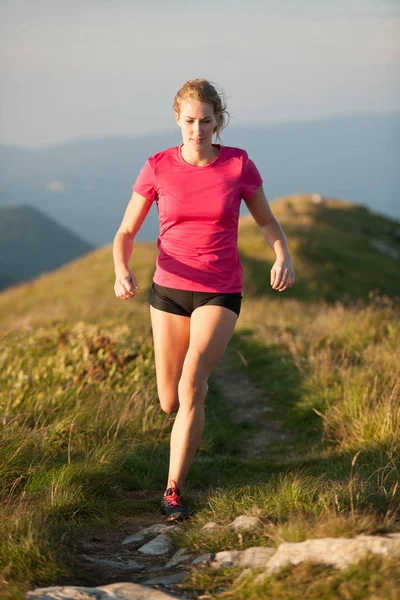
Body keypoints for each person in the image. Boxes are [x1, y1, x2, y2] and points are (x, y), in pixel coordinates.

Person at [113, 78, 295, 521]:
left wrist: (282, 253)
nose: (197, 129)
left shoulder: (238, 166)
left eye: (207, 121)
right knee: (168, 400)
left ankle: (172, 491)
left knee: (192, 381)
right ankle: (189, 414)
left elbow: (268, 221)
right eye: (190, 121)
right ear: (177, 119)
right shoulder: (157, 167)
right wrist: (122, 268)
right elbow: (126, 232)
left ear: (219, 122)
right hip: (168, 289)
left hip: (220, 288)